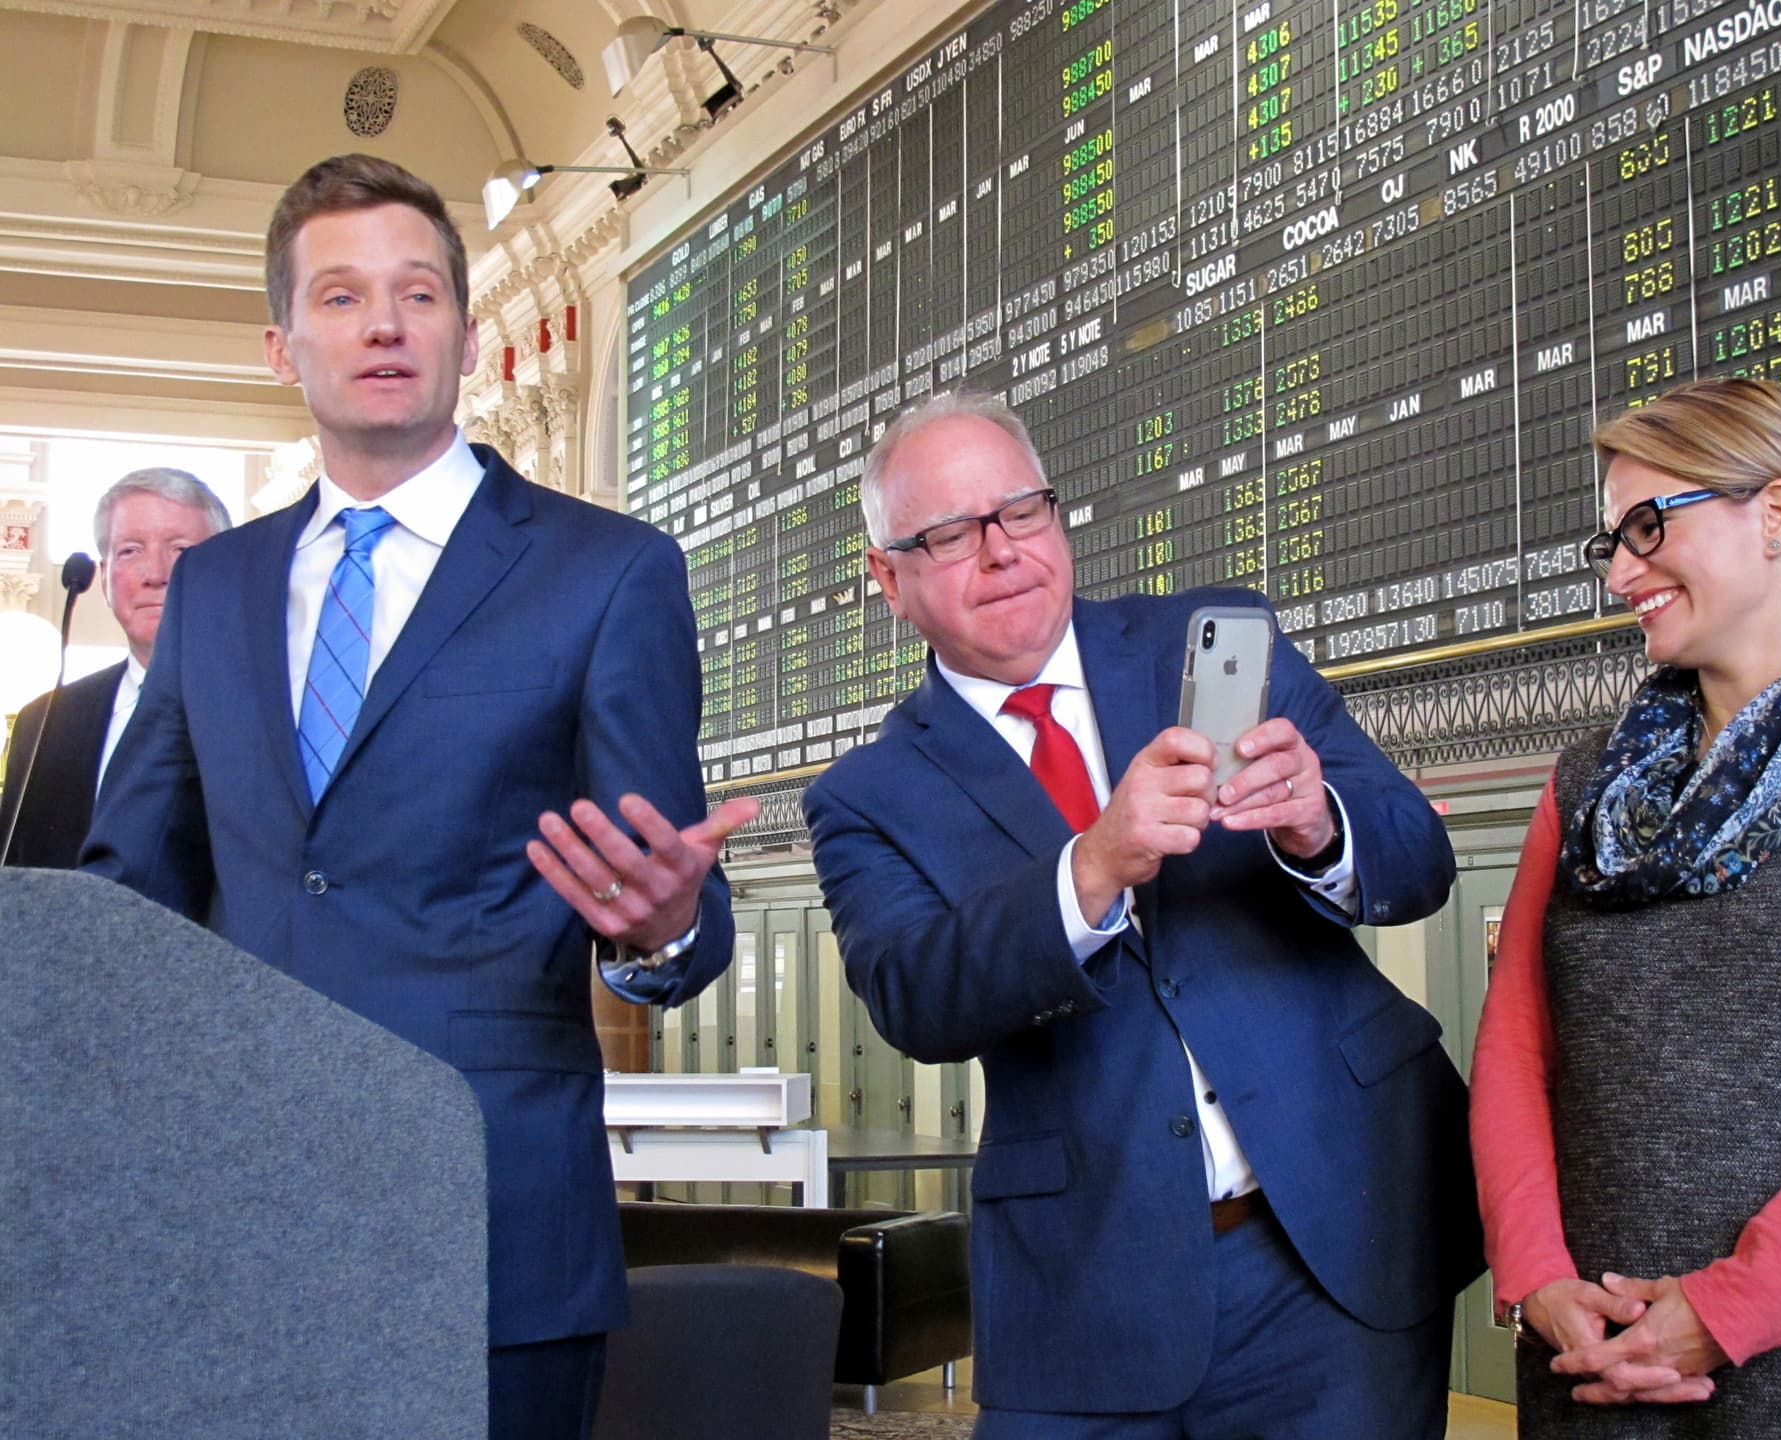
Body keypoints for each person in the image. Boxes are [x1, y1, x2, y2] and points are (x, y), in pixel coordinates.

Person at [83, 154, 756, 1440]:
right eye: (340, 298)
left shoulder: (604, 573)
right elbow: (132, 894)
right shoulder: (214, 589)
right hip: (230, 1222)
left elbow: (676, 892)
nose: (382, 324)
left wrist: (661, 925)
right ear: (284, 346)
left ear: (463, 330)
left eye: (417, 294)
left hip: (492, 1215)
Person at [803, 391, 1482, 1438]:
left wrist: (1318, 826)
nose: (1000, 552)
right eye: (949, 535)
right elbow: (915, 997)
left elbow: (1418, 858)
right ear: (888, 578)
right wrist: (1090, 868)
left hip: (1340, 1238)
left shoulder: (1212, 644)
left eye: (1020, 512)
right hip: (1088, 1287)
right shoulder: (867, 794)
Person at [1470, 376, 1781, 1435]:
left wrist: (1727, 1307)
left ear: (1776, 515)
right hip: (1588, 1358)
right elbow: (1513, 1047)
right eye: (1612, 542)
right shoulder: (1584, 787)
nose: (1623, 571)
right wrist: (1535, 1276)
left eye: (1648, 526)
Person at [0, 468, 229, 867]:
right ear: (104, 578)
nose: (155, 574)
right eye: (130, 550)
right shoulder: (44, 725)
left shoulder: (274, 705)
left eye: (180, 550)